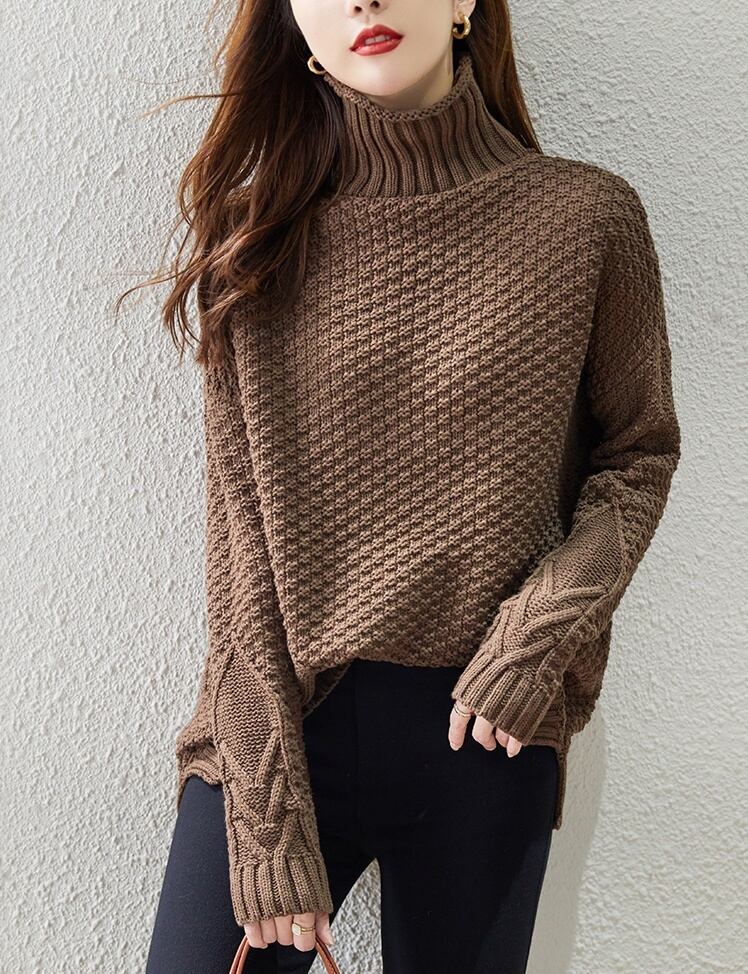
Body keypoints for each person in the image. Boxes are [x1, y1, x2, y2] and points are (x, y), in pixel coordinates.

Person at [129, 2, 681, 971]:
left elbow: (638, 454)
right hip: (283, 727)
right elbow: (241, 546)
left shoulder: (586, 218)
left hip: (487, 730)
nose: (363, 1)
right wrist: (264, 819)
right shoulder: (255, 238)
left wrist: (535, 639)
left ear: (465, 3)